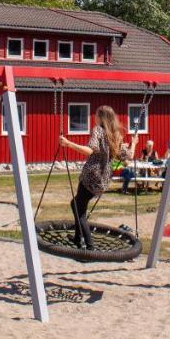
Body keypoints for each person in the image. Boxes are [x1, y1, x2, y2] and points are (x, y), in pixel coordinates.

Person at [58, 106, 138, 248]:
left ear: (101, 117)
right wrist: (134, 143)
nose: (94, 118)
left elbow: (90, 150)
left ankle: (89, 245)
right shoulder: (116, 135)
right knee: (78, 204)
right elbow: (128, 156)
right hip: (103, 180)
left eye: (95, 115)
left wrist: (68, 143)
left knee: (78, 209)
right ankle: (77, 238)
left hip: (90, 175)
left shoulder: (98, 130)